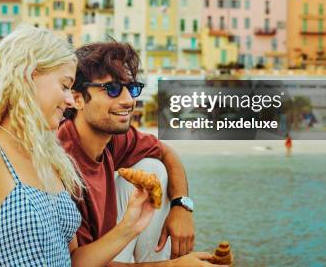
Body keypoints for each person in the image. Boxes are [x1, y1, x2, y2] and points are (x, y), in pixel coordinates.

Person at [0, 26, 159, 267]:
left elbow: (73, 260)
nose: (69, 99)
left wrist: (130, 226)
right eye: (65, 86)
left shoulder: (52, 159)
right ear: (28, 76)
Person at [58, 41, 217, 266]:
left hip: (110, 245)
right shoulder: (62, 162)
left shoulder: (111, 137)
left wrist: (182, 206)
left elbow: (166, 152)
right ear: (77, 99)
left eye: (131, 88)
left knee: (153, 168)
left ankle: (161, 257)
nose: (128, 101)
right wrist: (172, 266)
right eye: (112, 89)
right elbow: (76, 263)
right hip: (87, 259)